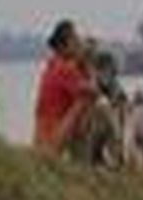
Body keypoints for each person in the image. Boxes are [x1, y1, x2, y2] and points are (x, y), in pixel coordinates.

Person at [33, 19, 98, 155]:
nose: (79, 44)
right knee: (89, 102)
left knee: (84, 98)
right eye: (75, 41)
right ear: (64, 46)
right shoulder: (65, 69)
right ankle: (82, 159)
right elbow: (94, 91)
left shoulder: (52, 64)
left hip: (41, 136)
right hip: (53, 139)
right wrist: (89, 64)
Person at [124, 89, 143, 171]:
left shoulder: (136, 111)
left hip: (139, 134)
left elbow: (133, 128)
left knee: (136, 151)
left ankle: (136, 165)